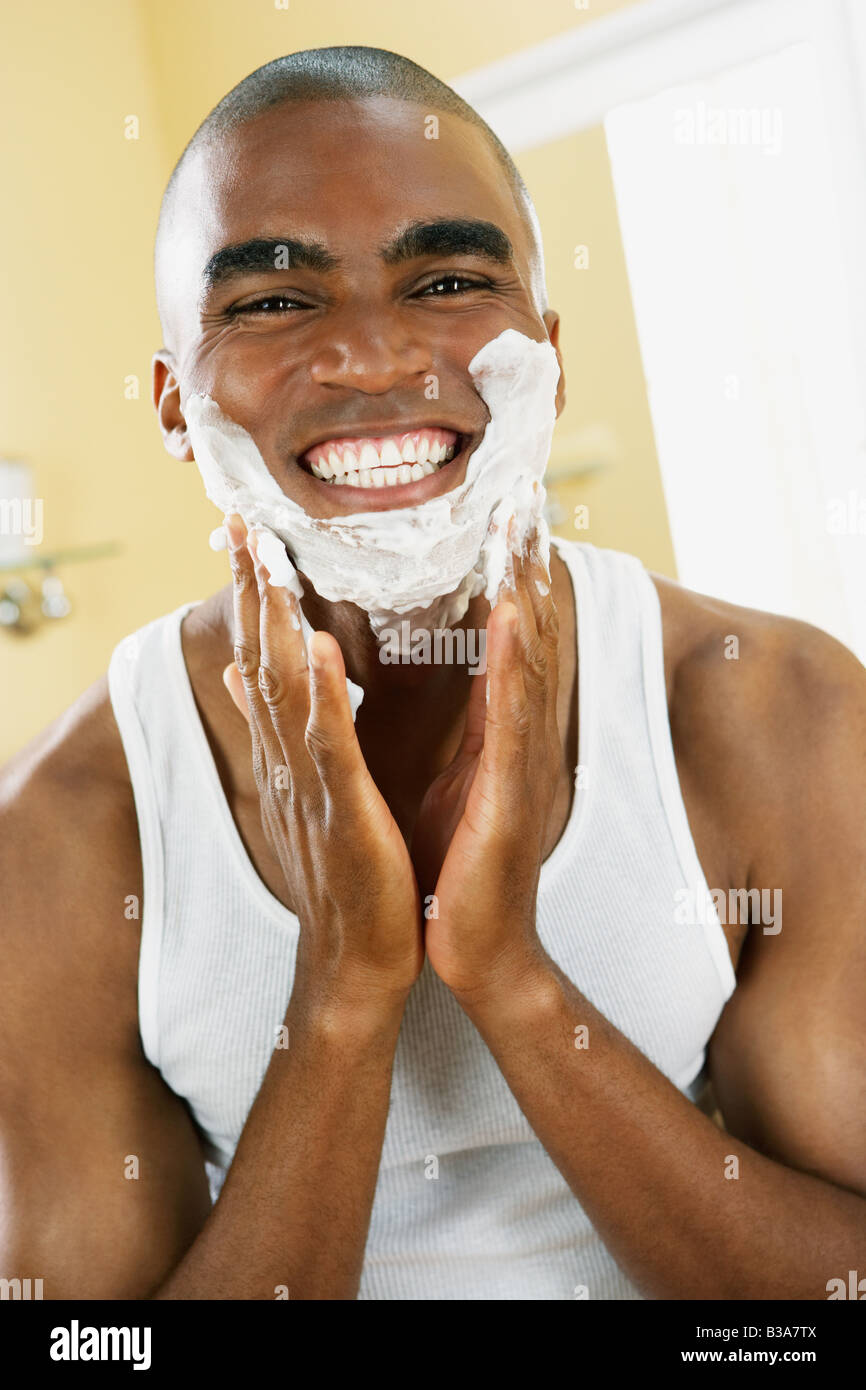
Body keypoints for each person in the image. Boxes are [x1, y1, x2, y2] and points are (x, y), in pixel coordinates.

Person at [1, 46, 864, 1302]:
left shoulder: (775, 709)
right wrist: (343, 992)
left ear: (550, 361)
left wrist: (510, 976)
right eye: (271, 302)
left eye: (448, 278)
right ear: (175, 405)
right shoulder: (61, 834)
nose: (370, 356)